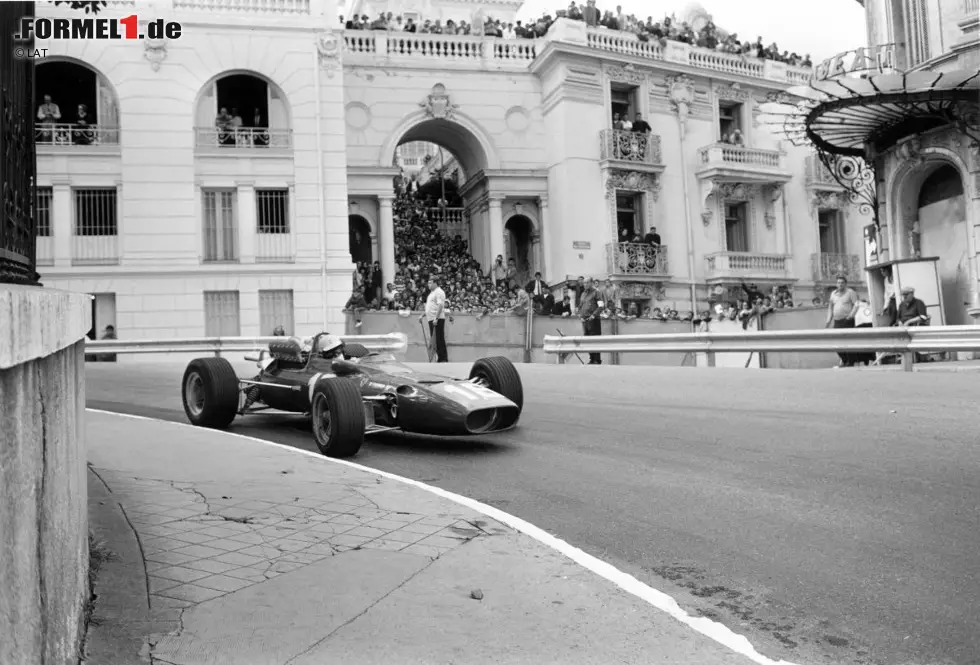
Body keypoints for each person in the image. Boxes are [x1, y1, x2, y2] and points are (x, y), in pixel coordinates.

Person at [825, 275, 859, 368]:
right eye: (838, 283)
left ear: (845, 284)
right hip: (837, 321)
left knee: (848, 342)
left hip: (847, 320)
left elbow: (856, 304)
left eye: (842, 283)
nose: (840, 284)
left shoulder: (850, 292)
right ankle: (844, 360)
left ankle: (850, 362)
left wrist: (851, 316)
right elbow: (830, 307)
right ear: (836, 284)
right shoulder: (833, 294)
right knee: (837, 342)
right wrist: (828, 320)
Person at [420, 276, 448, 362]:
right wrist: (422, 315)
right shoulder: (431, 293)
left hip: (437, 318)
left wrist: (436, 318)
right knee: (435, 340)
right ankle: (439, 357)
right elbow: (430, 307)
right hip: (431, 318)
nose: (428, 284)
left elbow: (440, 305)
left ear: (435, 283)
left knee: (439, 338)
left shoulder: (439, 292)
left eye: (430, 282)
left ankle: (443, 358)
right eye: (428, 283)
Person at [578, 277, 602, 365]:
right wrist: (580, 315)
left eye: (587, 283)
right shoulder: (583, 294)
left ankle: (597, 359)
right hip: (585, 321)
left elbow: (601, 306)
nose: (585, 284)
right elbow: (580, 306)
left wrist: (594, 315)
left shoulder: (596, 292)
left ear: (591, 283)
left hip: (594, 319)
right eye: (584, 283)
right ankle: (591, 358)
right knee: (587, 340)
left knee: (594, 340)